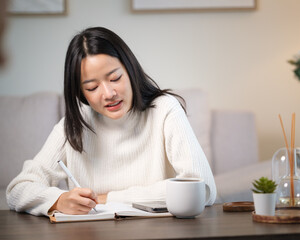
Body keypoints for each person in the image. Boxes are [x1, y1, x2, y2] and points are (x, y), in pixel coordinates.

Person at [6, 27, 217, 216]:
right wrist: (58, 200)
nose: (108, 94)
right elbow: (18, 189)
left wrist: (109, 198)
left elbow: (203, 189)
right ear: (80, 93)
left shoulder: (164, 110)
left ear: (130, 69)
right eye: (92, 88)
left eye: (115, 78)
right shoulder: (74, 126)